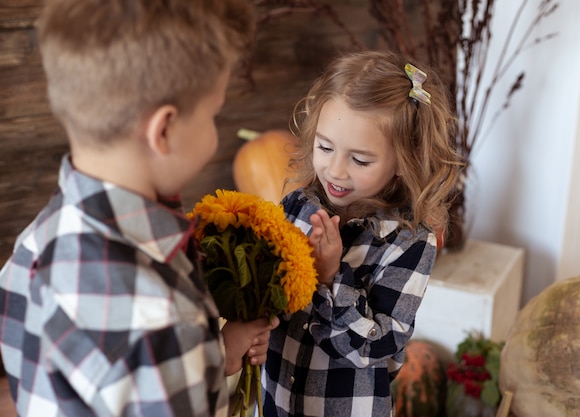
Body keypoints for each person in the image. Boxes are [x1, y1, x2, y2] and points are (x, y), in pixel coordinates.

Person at [0, 1, 278, 416]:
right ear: (164, 129)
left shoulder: (33, 246)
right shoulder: (159, 319)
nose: (216, 131)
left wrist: (216, 356)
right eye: (213, 114)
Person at [261, 50, 462, 417]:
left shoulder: (409, 242)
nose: (335, 170)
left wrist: (330, 276)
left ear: (405, 160)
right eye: (325, 147)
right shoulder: (296, 206)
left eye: (360, 160)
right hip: (277, 402)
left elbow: (375, 348)